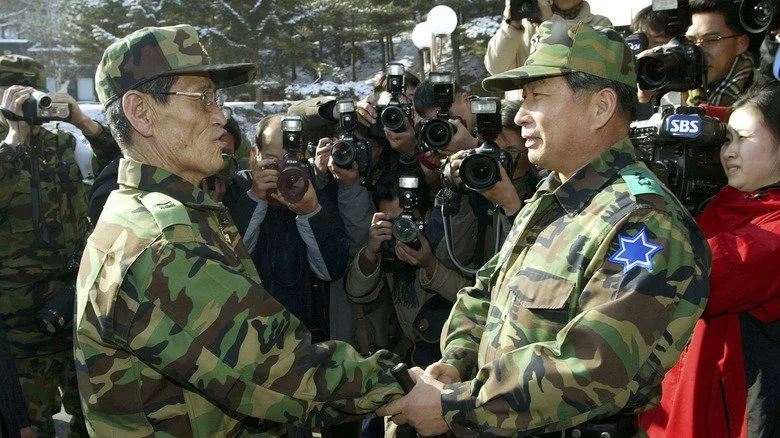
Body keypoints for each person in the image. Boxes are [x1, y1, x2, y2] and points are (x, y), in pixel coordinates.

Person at [384, 21, 711, 437]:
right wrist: (454, 363)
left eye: (537, 96)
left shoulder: (645, 221)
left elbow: (592, 367)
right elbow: (486, 292)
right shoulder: (554, 193)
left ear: (601, 107)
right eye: (523, 98)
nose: (521, 115)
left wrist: (455, 406)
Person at [74, 24, 403, 436]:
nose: (221, 116)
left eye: (217, 99)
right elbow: (278, 369)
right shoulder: (162, 241)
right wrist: (406, 386)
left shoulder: (157, 212)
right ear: (141, 112)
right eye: (202, 99)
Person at [639, 81, 780, 438]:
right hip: (677, 395)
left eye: (743, 139)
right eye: (727, 139)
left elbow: (696, 272)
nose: (728, 152)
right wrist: (689, 118)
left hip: (729, 411)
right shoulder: (729, 202)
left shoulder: (773, 229)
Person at [0, 54, 117, 437]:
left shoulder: (64, 144)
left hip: (75, 310)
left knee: (97, 421)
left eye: (31, 93)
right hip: (17, 327)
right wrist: (14, 139)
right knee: (28, 428)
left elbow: (122, 166)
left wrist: (84, 122)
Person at [484, 0, 611, 100]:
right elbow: (496, 68)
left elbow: (589, 70)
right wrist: (512, 25)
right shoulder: (525, 27)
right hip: (525, 111)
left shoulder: (600, 24)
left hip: (573, 112)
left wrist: (550, 22)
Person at [682, 0, 757, 106]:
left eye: (710, 40)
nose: (697, 52)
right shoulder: (673, 94)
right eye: (690, 41)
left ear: (741, 44)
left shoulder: (765, 95)